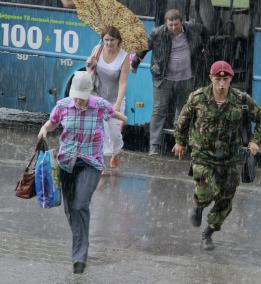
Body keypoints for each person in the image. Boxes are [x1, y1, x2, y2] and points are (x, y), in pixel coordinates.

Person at [172, 61, 261, 250]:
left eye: (226, 79)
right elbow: (183, 120)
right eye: (218, 79)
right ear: (211, 78)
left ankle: (208, 233)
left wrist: (256, 140)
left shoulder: (241, 100)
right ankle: (199, 206)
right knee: (207, 189)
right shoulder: (198, 98)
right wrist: (179, 142)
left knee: (225, 199)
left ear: (231, 79)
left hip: (230, 156)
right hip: (203, 154)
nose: (222, 84)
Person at [37, 71, 127, 274]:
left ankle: (79, 257)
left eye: (82, 96)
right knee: (71, 210)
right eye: (76, 95)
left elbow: (115, 114)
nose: (79, 100)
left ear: (90, 92)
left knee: (80, 204)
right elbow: (52, 122)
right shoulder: (63, 106)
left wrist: (123, 119)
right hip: (66, 163)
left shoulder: (99, 106)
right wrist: (44, 129)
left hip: (90, 163)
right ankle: (81, 242)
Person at [131, 9, 208, 155]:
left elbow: (205, 32)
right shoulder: (157, 33)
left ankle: (182, 144)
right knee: (159, 110)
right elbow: (143, 48)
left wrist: (204, 49)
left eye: (176, 24)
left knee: (185, 112)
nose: (173, 28)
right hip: (163, 79)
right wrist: (135, 62)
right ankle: (154, 145)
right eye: (170, 25)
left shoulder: (192, 28)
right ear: (166, 24)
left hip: (186, 78)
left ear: (181, 22)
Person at [87, 26, 130, 168]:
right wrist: (90, 63)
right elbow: (90, 71)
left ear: (118, 41)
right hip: (98, 97)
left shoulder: (124, 57)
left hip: (114, 99)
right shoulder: (97, 49)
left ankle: (116, 151)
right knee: (99, 130)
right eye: (106, 39)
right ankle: (100, 162)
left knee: (114, 132)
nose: (109, 43)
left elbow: (123, 83)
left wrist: (117, 103)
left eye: (112, 40)